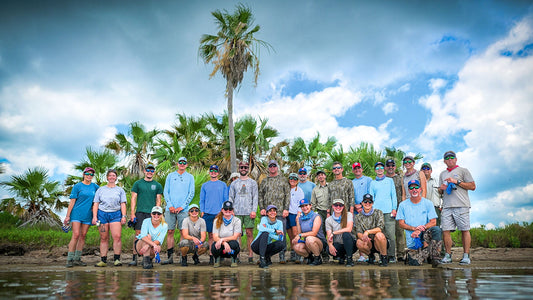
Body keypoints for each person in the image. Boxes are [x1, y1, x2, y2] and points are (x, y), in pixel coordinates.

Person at [438, 151, 476, 265]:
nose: (449, 159)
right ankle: (448, 255)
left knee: (465, 230)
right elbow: (440, 192)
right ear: (444, 161)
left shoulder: (463, 171)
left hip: (461, 205)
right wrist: (441, 189)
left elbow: (473, 186)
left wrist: (457, 182)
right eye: (447, 158)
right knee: (445, 231)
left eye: (452, 157)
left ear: (456, 159)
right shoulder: (442, 174)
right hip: (447, 206)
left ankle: (466, 256)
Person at [397, 180, 442, 266]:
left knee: (436, 230)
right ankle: (426, 255)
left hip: (424, 234)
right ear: (408, 190)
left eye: (416, 187)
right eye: (411, 188)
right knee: (414, 264)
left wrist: (421, 229)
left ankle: (435, 258)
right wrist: (414, 229)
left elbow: (433, 222)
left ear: (420, 189)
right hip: (413, 238)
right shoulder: (403, 205)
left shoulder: (428, 203)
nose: (414, 189)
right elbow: (401, 224)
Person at [128, 163, 163, 266]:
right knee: (138, 235)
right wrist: (133, 213)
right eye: (148, 170)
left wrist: (157, 214)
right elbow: (133, 198)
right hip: (140, 212)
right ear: (144, 171)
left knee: (151, 236)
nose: (150, 172)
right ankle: (135, 258)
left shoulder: (157, 185)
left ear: (154, 172)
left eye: (152, 170)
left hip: (152, 214)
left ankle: (148, 259)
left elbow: (158, 200)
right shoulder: (138, 183)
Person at [64, 167, 99, 267]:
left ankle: (77, 259)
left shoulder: (95, 187)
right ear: (83, 174)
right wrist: (67, 216)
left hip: (88, 215)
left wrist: (94, 208)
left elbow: (100, 198)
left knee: (83, 236)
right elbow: (72, 201)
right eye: (87, 174)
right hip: (76, 214)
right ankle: (69, 259)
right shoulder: (77, 186)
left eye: (91, 174)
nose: (89, 176)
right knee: (75, 235)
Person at [162, 157, 195, 265]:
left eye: (184, 162)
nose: (182, 164)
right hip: (170, 209)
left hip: (184, 210)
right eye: (180, 162)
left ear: (186, 165)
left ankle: (182, 257)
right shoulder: (170, 176)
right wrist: (170, 205)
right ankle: (170, 257)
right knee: (170, 231)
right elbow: (166, 191)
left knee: (183, 232)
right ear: (177, 164)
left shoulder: (190, 177)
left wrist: (182, 206)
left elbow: (191, 193)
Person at [92, 169, 127, 267]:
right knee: (104, 238)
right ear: (107, 177)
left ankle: (117, 259)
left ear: (116, 177)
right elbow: (96, 203)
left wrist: (124, 216)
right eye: (110, 175)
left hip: (115, 215)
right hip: (102, 215)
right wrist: (95, 217)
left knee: (117, 237)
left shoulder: (120, 190)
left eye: (114, 175)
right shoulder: (101, 189)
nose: (112, 177)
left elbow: (123, 204)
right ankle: (103, 260)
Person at [258, 159, 290, 263]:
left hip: (280, 211)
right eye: (270, 166)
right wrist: (262, 208)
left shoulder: (283, 180)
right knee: (265, 233)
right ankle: (265, 255)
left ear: (277, 167)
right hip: (267, 213)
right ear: (268, 168)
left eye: (274, 166)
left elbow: (287, 195)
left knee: (281, 233)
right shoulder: (264, 181)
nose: (272, 168)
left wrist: (286, 208)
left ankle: (282, 255)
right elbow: (260, 195)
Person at [229, 161, 258, 264]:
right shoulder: (234, 183)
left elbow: (255, 198)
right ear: (239, 168)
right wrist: (231, 210)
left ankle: (251, 255)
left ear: (248, 168)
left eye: (245, 167)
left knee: (249, 233)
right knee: (237, 234)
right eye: (241, 167)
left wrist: (254, 210)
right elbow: (231, 198)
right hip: (237, 212)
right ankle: (237, 255)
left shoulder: (253, 183)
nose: (243, 169)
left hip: (249, 212)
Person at [200, 164, 228, 265]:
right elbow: (202, 200)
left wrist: (224, 211)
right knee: (211, 236)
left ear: (218, 173)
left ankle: (220, 255)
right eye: (211, 170)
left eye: (215, 171)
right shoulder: (205, 185)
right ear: (209, 172)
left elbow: (226, 199)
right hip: (208, 213)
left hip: (219, 213)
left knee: (220, 235)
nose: (213, 172)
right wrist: (202, 210)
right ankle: (212, 256)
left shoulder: (223, 185)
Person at [369, 162, 397, 263]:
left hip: (389, 211)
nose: (379, 169)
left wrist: (394, 209)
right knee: (379, 235)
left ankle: (392, 255)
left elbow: (393, 195)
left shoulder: (389, 181)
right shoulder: (372, 183)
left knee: (390, 234)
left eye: (381, 167)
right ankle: (382, 255)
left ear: (384, 169)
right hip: (377, 212)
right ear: (375, 170)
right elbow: (371, 197)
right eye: (377, 168)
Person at [327, 162, 355, 263]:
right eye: (334, 168)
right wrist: (328, 212)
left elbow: (351, 196)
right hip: (334, 211)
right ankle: (339, 255)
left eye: (338, 168)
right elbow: (329, 198)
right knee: (334, 233)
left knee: (346, 233)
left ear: (342, 169)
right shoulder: (330, 184)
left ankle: (348, 254)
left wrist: (351, 208)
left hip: (345, 211)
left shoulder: (348, 182)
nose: (336, 169)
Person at [354, 194, 388, 267]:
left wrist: (367, 232)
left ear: (372, 203)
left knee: (379, 235)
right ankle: (371, 256)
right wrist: (364, 237)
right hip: (368, 242)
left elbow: (380, 228)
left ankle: (384, 257)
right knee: (359, 242)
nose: (367, 204)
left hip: (379, 241)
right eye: (365, 202)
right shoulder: (358, 217)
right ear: (362, 203)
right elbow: (358, 232)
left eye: (370, 202)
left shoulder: (378, 212)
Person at [292, 198, 326, 266]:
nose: (304, 208)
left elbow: (314, 233)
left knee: (309, 239)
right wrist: (297, 221)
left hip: (319, 242)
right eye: (302, 206)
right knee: (296, 246)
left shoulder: (316, 216)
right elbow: (299, 233)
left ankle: (318, 258)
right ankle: (309, 258)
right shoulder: (301, 218)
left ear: (310, 206)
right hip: (308, 243)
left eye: (306, 205)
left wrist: (300, 235)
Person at [385, 158, 406, 262]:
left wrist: (402, 208)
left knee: (400, 232)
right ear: (385, 167)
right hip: (387, 210)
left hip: (399, 209)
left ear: (395, 167)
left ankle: (401, 254)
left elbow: (403, 193)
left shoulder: (400, 178)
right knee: (388, 233)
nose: (390, 167)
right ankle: (389, 254)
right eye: (388, 165)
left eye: (392, 165)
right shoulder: (383, 179)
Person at [211, 201, 242, 268]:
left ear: (232, 210)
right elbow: (215, 237)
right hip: (221, 247)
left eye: (230, 209)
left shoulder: (237, 220)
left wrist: (222, 239)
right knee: (214, 245)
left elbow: (235, 237)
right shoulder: (216, 220)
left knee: (234, 244)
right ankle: (217, 259)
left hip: (231, 248)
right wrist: (224, 243)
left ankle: (233, 259)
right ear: (222, 210)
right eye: (225, 209)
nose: (228, 211)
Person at [325, 199, 356, 267]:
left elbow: (349, 229)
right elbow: (329, 235)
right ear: (333, 206)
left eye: (340, 205)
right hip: (339, 244)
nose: (338, 207)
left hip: (351, 244)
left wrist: (334, 233)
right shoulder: (328, 220)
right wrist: (330, 245)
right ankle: (341, 256)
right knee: (328, 248)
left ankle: (349, 259)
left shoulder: (348, 215)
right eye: (336, 205)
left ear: (343, 207)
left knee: (346, 234)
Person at [287, 172, 305, 263]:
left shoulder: (299, 190)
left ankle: (299, 253)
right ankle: (293, 253)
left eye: (294, 179)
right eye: (291, 178)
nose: (292, 180)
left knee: (295, 234)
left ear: (297, 181)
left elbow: (300, 203)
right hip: (287, 213)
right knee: (290, 235)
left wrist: (298, 214)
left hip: (295, 214)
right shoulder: (287, 189)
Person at [310, 170, 330, 244]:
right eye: (319, 176)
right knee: (321, 231)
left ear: (325, 176)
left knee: (332, 231)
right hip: (321, 211)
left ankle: (334, 250)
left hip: (331, 211)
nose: (320, 176)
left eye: (322, 175)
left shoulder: (331, 187)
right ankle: (323, 250)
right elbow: (313, 202)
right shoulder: (315, 189)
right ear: (317, 178)